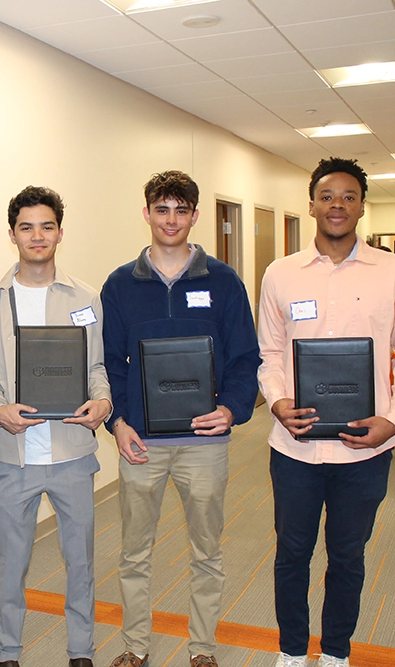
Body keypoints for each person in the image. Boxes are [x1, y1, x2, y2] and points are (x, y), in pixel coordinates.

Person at [257, 157, 395, 667]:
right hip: (295, 448)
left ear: (361, 206)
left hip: (364, 448)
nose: (338, 204)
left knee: (347, 557)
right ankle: (291, 650)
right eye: (328, 195)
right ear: (311, 204)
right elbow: (268, 353)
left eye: (349, 196)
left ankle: (335, 652)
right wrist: (279, 401)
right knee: (291, 554)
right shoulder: (280, 274)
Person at [101, 171, 261, 667]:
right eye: (162, 209)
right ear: (147, 213)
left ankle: (203, 649)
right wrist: (119, 423)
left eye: (181, 210)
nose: (171, 219)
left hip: (204, 441)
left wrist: (231, 410)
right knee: (134, 552)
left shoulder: (224, 282)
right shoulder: (121, 284)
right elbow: (110, 364)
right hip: (141, 442)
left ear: (195, 217)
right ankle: (135, 646)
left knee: (207, 552)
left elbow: (245, 359)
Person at [0, 186, 111, 667]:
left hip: (73, 452)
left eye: (47, 226)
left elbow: (97, 367)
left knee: (81, 565)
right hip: (15, 457)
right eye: (27, 227)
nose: (37, 236)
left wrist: (103, 401)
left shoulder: (84, 297)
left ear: (59, 233)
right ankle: (7, 653)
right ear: (12, 234)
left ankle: (81, 652)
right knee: (10, 567)